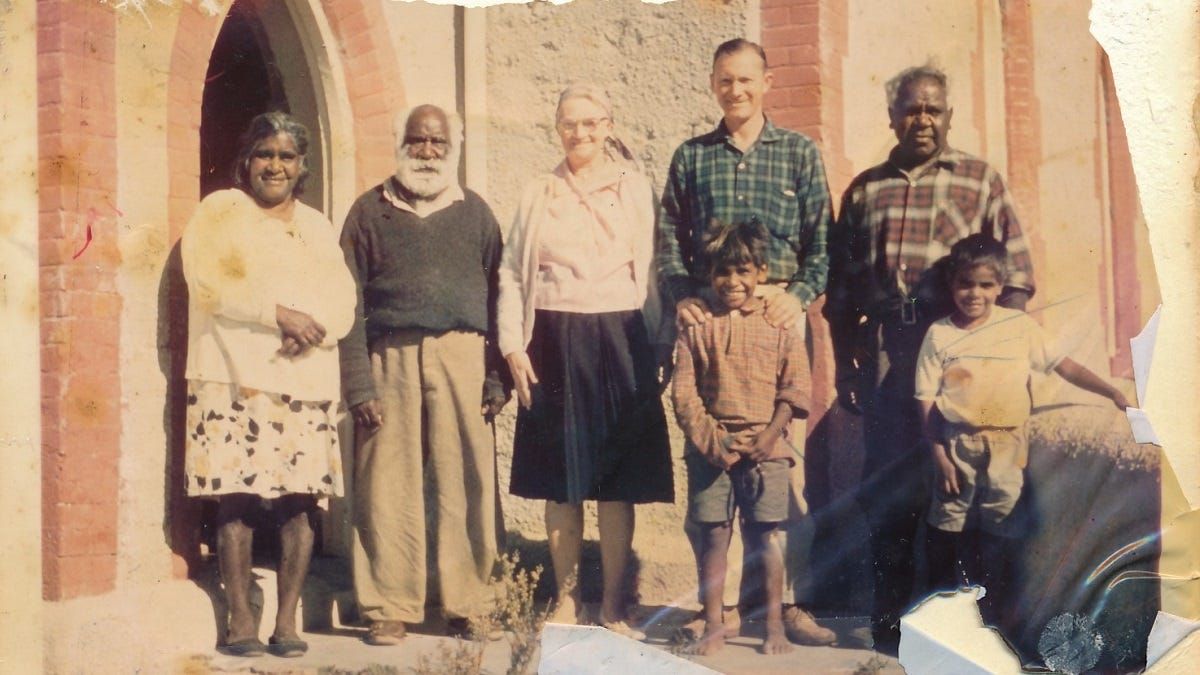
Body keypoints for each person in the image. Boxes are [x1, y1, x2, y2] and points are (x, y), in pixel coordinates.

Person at [824, 64, 1036, 654]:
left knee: (969, 489)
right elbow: (841, 292)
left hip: (964, 355)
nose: (922, 119)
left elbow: (1016, 276)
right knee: (892, 489)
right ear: (893, 118)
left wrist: (997, 353)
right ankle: (891, 626)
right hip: (892, 354)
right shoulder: (867, 189)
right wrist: (847, 364)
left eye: (933, 110)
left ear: (949, 116)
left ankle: (970, 629)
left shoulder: (979, 180)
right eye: (911, 109)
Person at [658, 38, 835, 646]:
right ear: (713, 85)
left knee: (777, 467)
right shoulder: (692, 157)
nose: (736, 91)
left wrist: (800, 293)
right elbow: (667, 241)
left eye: (746, 80)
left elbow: (822, 241)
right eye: (725, 81)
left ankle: (779, 608)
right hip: (712, 327)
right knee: (712, 477)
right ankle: (722, 611)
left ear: (766, 82)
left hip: (778, 318)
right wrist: (685, 294)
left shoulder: (797, 153)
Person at [498, 83, 674, 638]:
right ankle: (568, 602)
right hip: (553, 335)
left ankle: (616, 604)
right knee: (562, 481)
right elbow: (509, 272)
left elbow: (654, 270)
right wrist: (511, 345)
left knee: (617, 480)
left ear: (609, 126)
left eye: (592, 123)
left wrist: (662, 341)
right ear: (558, 129)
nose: (581, 133)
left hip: (622, 332)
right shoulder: (538, 191)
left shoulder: (635, 189)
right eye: (570, 124)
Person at [181, 111, 357, 658]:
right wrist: (277, 313)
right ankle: (239, 620)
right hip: (231, 376)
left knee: (300, 505)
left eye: (285, 156)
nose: (274, 166)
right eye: (264, 154)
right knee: (233, 501)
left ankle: (286, 623)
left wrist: (314, 329)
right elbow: (206, 283)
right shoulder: (220, 211)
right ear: (246, 159)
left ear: (301, 166)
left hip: (303, 379)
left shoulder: (318, 225)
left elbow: (343, 300)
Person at [339, 104, 508, 646]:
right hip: (391, 355)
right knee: (386, 482)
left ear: (452, 147)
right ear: (402, 144)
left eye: (437, 142)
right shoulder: (368, 211)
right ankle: (389, 605)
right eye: (418, 141)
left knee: (469, 483)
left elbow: (502, 295)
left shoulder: (476, 213)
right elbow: (347, 303)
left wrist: (496, 376)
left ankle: (470, 603)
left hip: (463, 355)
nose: (428, 152)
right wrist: (360, 383)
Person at [915, 234, 1129, 607]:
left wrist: (1110, 390)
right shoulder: (940, 334)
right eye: (965, 283)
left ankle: (999, 621)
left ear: (1000, 286)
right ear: (952, 283)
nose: (974, 293)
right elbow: (926, 399)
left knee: (1003, 531)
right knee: (948, 531)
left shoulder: (1018, 326)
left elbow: (1064, 365)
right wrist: (940, 457)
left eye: (986, 284)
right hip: (956, 445)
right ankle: (944, 624)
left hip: (1008, 447)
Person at [672, 220, 812, 656]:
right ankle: (713, 623)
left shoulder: (778, 324)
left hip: (766, 448)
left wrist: (770, 436)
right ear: (709, 274)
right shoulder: (696, 326)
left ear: (762, 273)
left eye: (743, 272)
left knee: (767, 535)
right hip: (711, 449)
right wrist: (713, 442)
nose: (733, 282)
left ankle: (773, 626)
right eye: (722, 272)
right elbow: (684, 393)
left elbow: (794, 387)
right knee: (713, 533)